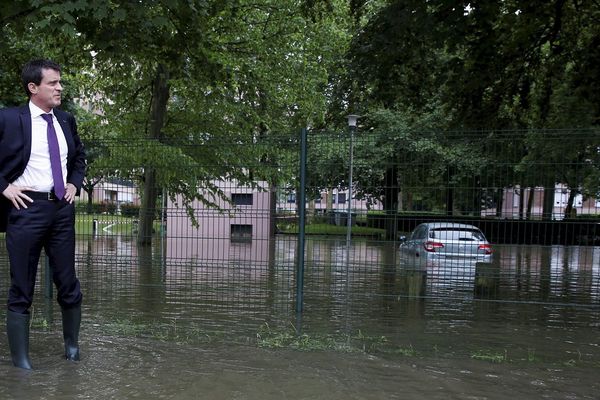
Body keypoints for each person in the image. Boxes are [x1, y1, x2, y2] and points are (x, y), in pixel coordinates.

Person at [0, 59, 86, 369]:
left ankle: (72, 349)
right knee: (22, 284)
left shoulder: (66, 120)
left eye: (60, 82)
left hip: (62, 209)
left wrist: (75, 184)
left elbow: (79, 157)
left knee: (68, 281)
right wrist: (4, 187)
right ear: (33, 87)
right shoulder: (9, 119)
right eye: (53, 83)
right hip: (25, 209)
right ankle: (21, 362)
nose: (60, 87)